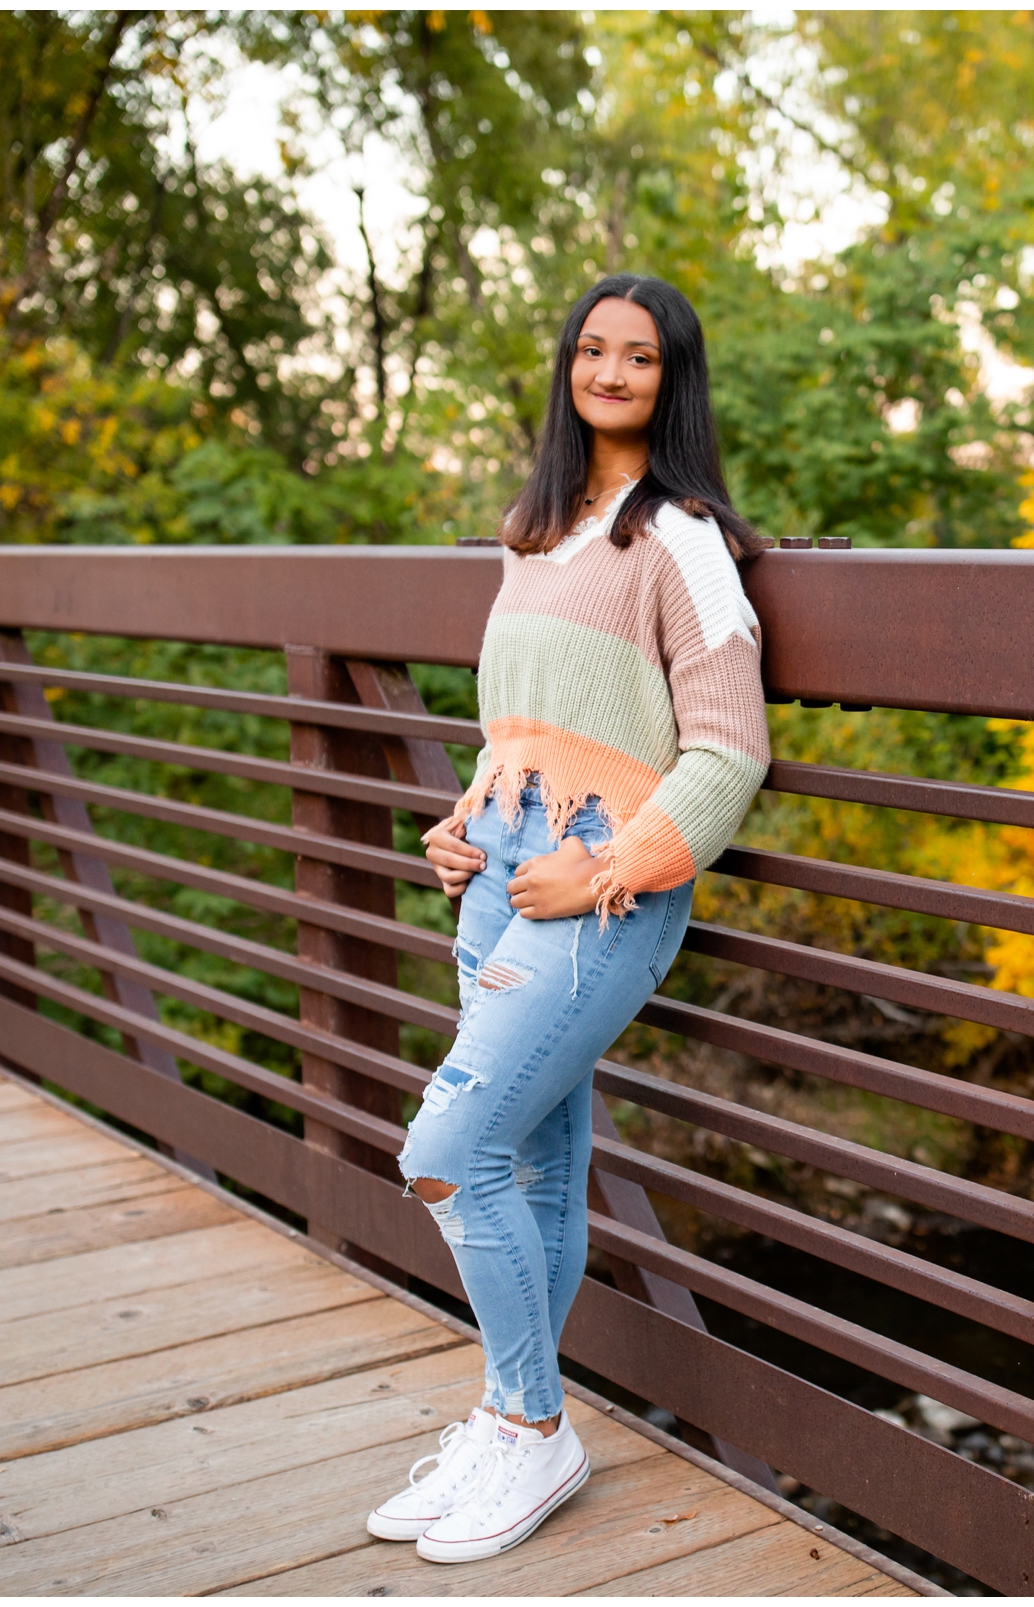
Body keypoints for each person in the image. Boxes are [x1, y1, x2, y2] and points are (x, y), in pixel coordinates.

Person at [363, 274, 771, 1564]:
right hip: (502, 875)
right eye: (591, 349)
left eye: (637, 356)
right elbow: (521, 725)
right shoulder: (534, 530)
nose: (608, 371)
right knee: (528, 1160)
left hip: (600, 891)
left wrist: (602, 873)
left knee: (443, 1148)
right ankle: (512, 1420)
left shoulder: (682, 541)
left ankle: (532, 1428)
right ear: (567, 368)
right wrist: (471, 821)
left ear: (672, 379)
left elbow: (728, 751)